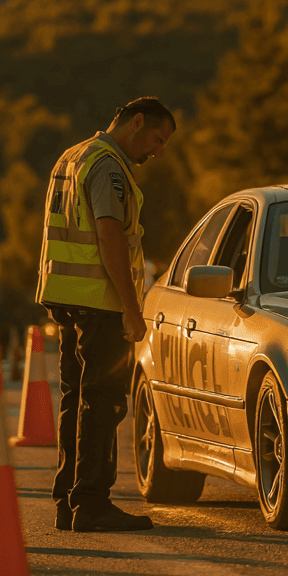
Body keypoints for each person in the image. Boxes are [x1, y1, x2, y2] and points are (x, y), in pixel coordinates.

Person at [36, 97, 176, 533]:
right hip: (99, 301)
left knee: (76, 400)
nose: (159, 151)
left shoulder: (72, 156)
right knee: (103, 403)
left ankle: (69, 502)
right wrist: (132, 312)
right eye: (157, 138)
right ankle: (92, 504)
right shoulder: (109, 167)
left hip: (65, 293)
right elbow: (109, 233)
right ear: (135, 123)